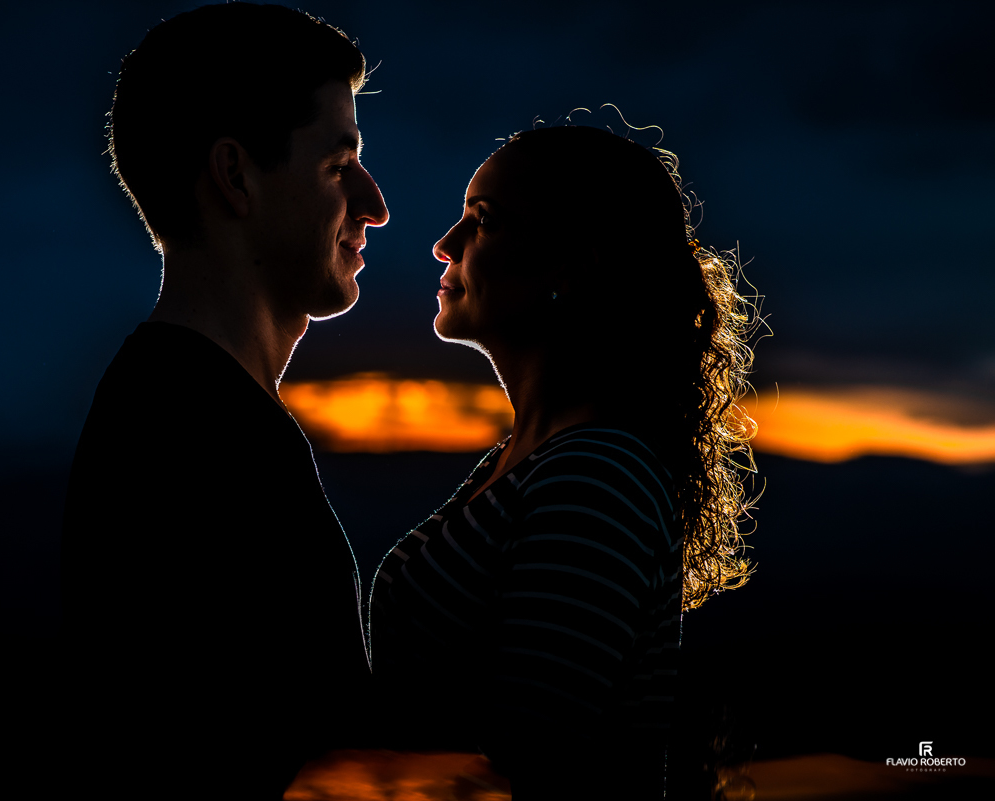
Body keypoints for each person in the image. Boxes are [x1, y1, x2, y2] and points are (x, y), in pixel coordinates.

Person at [368, 125, 755, 799]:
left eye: (481, 222)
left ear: (568, 267)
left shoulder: (596, 477)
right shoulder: (537, 456)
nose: (445, 245)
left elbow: (530, 763)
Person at [63, 4, 388, 797]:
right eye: (337, 165)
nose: (374, 204)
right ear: (236, 175)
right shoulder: (190, 437)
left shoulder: (194, 411)